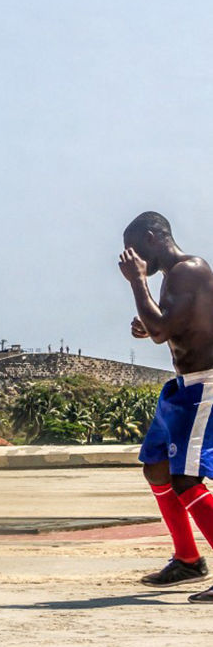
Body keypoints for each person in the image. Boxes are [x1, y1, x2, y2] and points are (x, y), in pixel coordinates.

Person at [119, 212, 213, 602]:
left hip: (205, 385)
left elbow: (161, 331)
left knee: (186, 479)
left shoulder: (188, 269)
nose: (133, 257)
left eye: (137, 248)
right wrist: (148, 321)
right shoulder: (177, 278)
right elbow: (165, 326)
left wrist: (138, 281)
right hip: (181, 388)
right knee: (156, 468)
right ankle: (188, 559)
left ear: (154, 237)